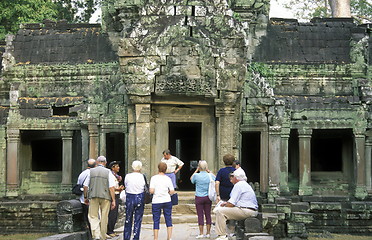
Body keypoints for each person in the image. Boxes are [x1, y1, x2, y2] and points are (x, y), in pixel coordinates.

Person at [213, 169, 258, 240]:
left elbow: (231, 204)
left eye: (233, 177)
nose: (231, 179)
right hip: (250, 210)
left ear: (236, 178)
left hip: (245, 210)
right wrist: (226, 204)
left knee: (220, 211)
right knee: (221, 210)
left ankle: (222, 235)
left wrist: (224, 205)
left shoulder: (238, 185)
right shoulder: (245, 184)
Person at [83, 156, 116, 240]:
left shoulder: (91, 171)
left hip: (93, 196)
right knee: (104, 216)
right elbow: (111, 187)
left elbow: (85, 186)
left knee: (93, 215)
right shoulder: (108, 172)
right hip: (105, 196)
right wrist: (113, 200)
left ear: (97, 162)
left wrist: (85, 197)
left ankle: (96, 234)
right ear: (105, 163)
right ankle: (102, 235)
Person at [149, 162, 175, 240]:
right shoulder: (168, 178)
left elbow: (151, 191)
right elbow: (172, 191)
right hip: (166, 200)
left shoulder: (154, 178)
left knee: (156, 220)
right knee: (168, 218)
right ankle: (169, 237)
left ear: (158, 168)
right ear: (166, 169)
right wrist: (167, 193)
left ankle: (156, 238)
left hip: (156, 201)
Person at [190, 160, 214, 239]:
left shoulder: (196, 176)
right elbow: (216, 178)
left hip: (199, 196)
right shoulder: (209, 175)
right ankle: (208, 232)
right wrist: (209, 171)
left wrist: (196, 170)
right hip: (208, 197)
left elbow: (191, 179)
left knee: (200, 215)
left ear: (199, 167)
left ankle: (201, 233)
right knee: (208, 214)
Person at [123, 160, 146, 240]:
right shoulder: (142, 176)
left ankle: (126, 237)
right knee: (138, 219)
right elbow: (144, 186)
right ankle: (136, 236)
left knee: (128, 218)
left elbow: (126, 185)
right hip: (139, 196)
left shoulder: (128, 176)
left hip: (130, 196)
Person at [77, 158, 96, 236]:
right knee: (91, 218)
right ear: (95, 165)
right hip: (88, 199)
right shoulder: (91, 174)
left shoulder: (82, 173)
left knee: (86, 217)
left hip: (81, 199)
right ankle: (92, 235)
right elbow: (86, 187)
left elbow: (78, 184)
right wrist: (86, 197)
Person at [107, 161, 124, 238]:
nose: (118, 168)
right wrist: (118, 189)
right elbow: (111, 187)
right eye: (117, 166)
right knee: (112, 214)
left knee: (115, 214)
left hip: (116, 195)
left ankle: (112, 230)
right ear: (112, 167)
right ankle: (109, 230)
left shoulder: (116, 176)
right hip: (113, 196)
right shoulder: (110, 175)